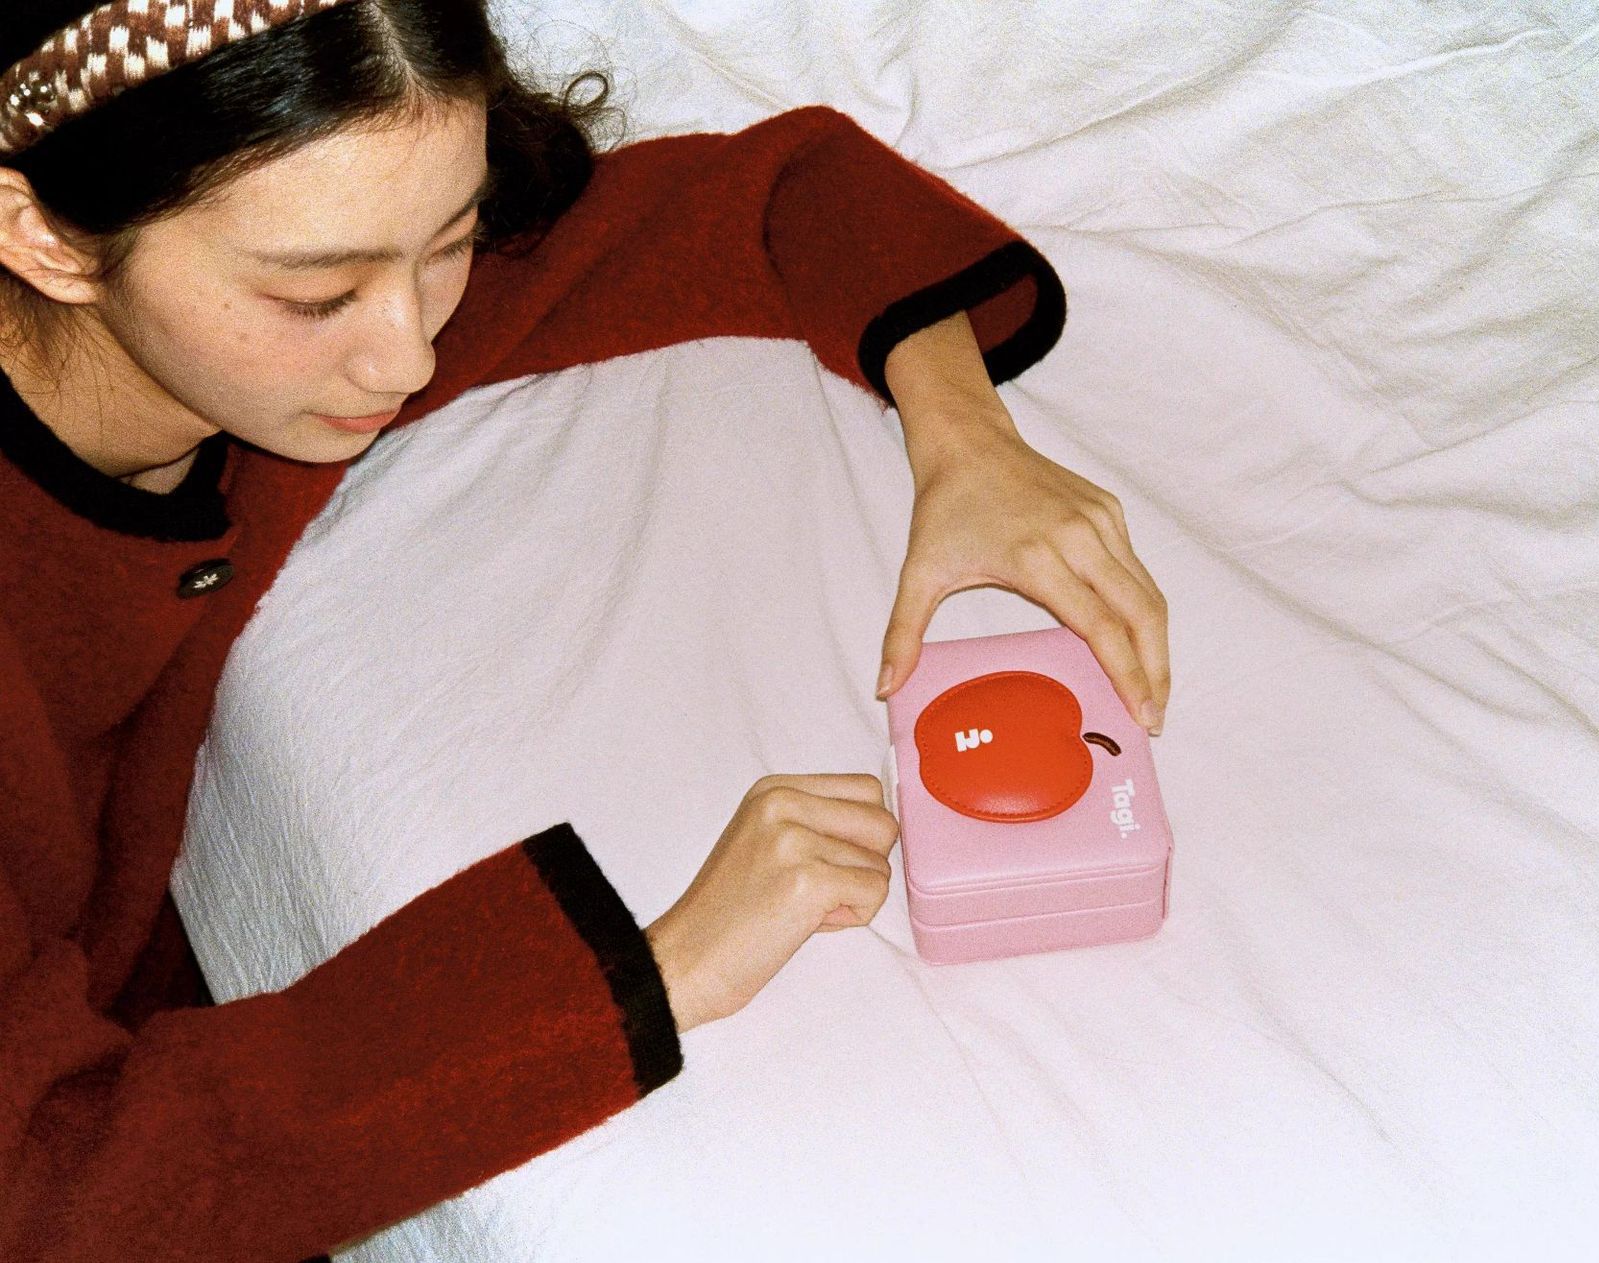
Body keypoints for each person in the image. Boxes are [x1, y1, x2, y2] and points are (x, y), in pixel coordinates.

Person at [0, 0, 1173, 1259]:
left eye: (450, 241)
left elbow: (783, 188)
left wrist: (968, 444)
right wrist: (643, 971)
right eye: (317, 295)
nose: (405, 355)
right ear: (43, 238)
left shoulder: (297, 302)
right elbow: (50, 1184)